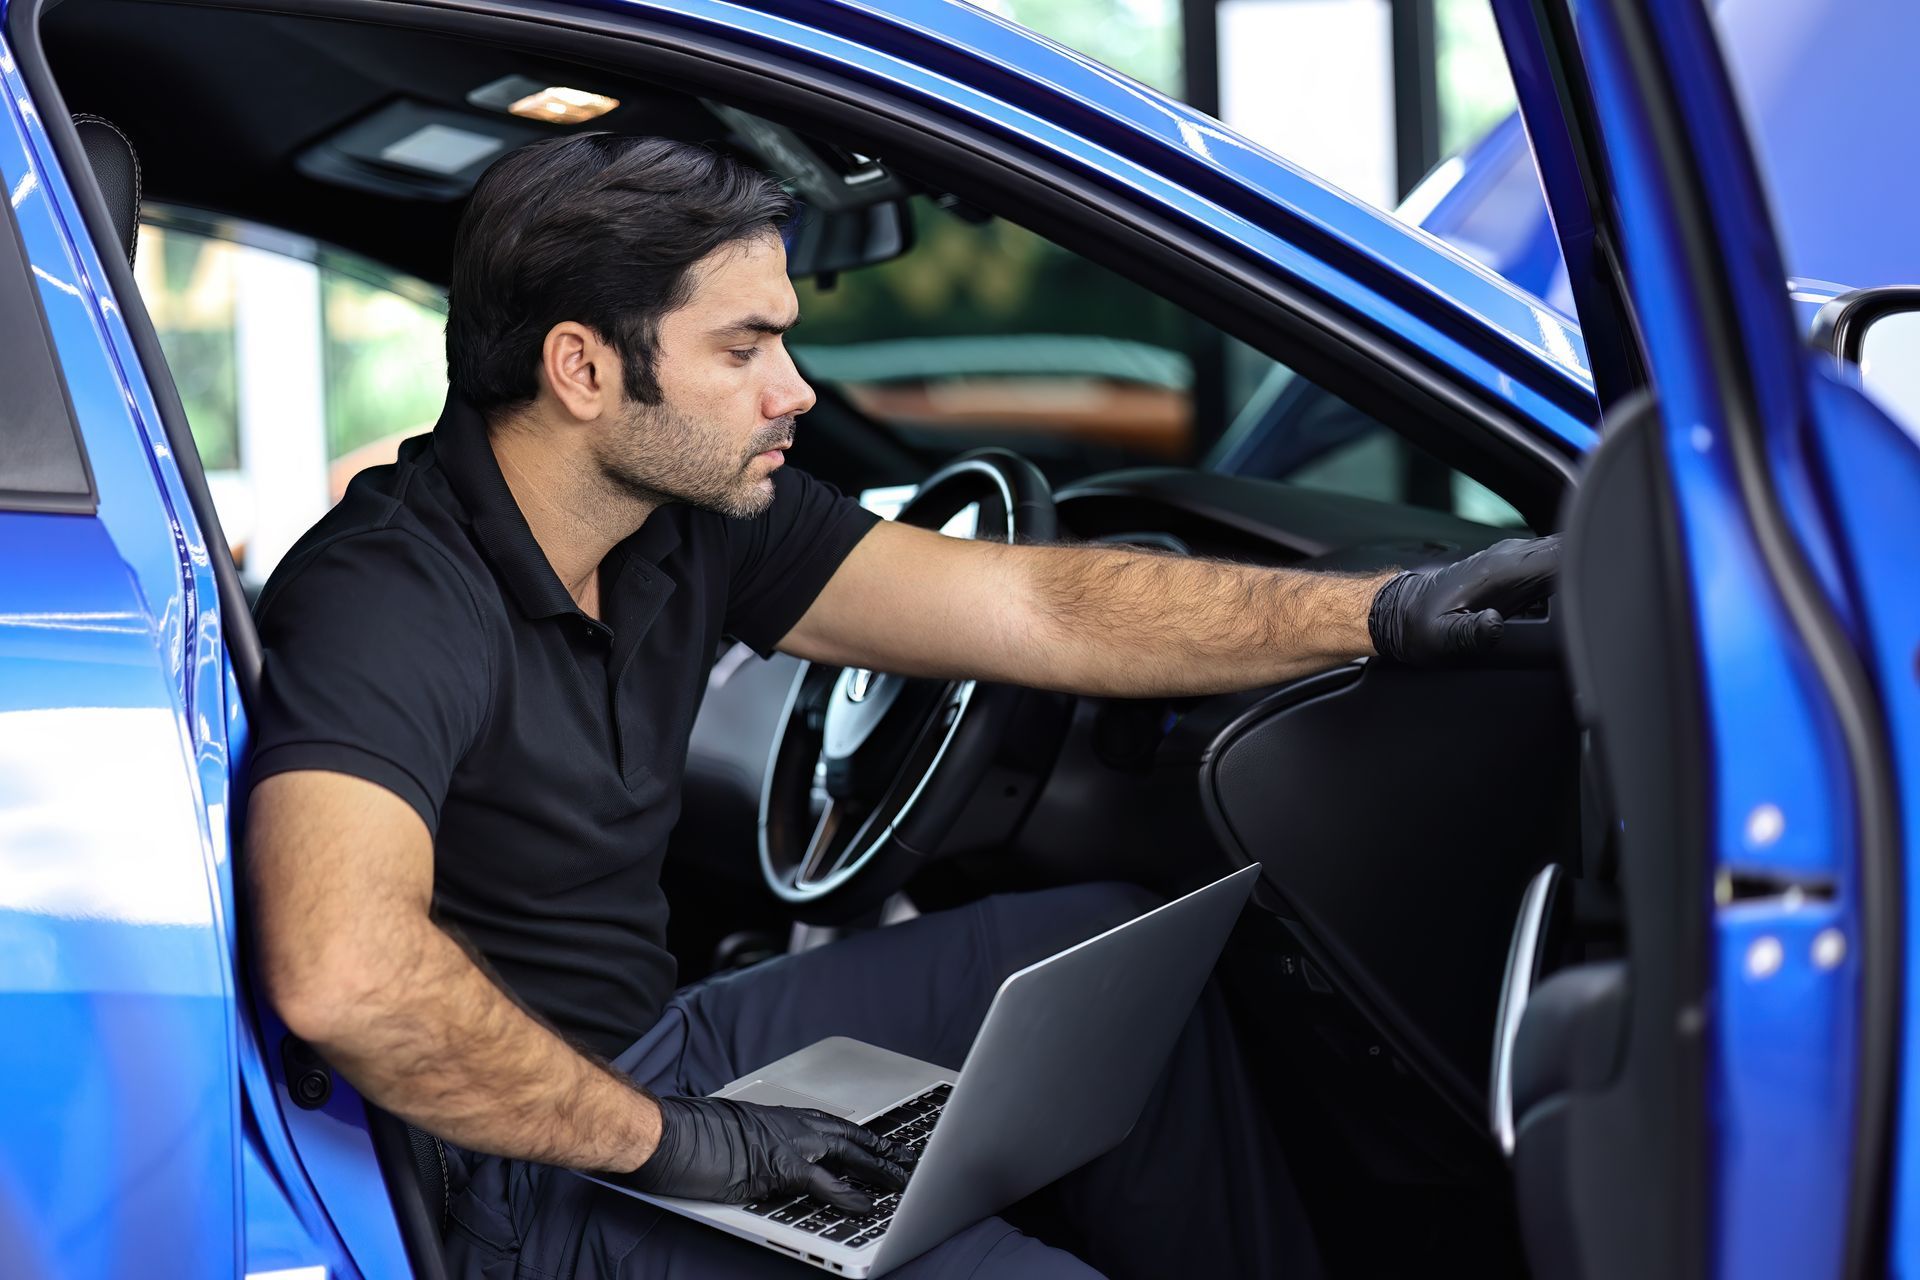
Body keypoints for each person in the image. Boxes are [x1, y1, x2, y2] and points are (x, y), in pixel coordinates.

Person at [245, 134, 1558, 1280]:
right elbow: (347, 976)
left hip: (662, 1046)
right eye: (745, 347)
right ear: (585, 370)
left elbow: (1034, 611)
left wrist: (1381, 613)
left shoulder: (683, 518)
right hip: (509, 1191)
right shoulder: (390, 595)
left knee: (1119, 969)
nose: (795, 391)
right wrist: (688, 1147)